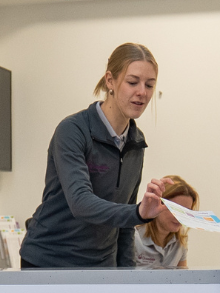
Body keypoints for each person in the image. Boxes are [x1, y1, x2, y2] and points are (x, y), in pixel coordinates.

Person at [20, 43, 167, 268]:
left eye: (150, 85)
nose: (142, 92)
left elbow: (125, 225)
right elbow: (80, 202)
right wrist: (138, 211)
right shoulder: (73, 130)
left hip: (101, 264)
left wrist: (128, 276)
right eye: (132, 82)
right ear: (110, 81)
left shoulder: (136, 141)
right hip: (50, 260)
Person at [133, 175, 198, 269]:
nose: (179, 217)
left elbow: (183, 279)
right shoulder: (134, 236)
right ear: (157, 205)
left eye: (186, 212)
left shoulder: (181, 238)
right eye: (175, 209)